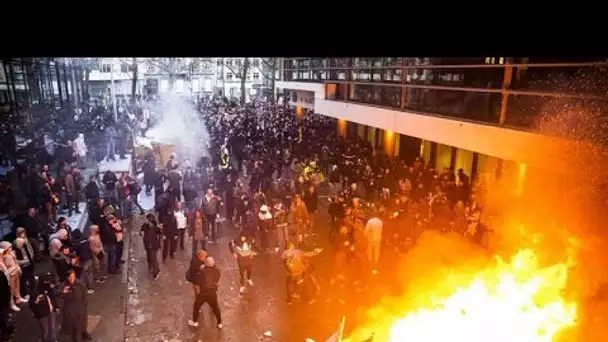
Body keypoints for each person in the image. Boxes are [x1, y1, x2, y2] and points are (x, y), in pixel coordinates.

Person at [188, 256, 222, 330]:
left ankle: (195, 322)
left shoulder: (202, 271)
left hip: (203, 293)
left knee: (196, 306)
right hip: (212, 293)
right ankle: (219, 323)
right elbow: (217, 278)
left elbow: (198, 281)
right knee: (216, 307)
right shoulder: (217, 271)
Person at [60, 269, 93, 341]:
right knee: (74, 327)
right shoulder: (64, 286)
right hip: (71, 310)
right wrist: (63, 292)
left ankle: (84, 334)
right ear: (67, 277)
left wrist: (85, 303)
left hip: (80, 307)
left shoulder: (79, 283)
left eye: (73, 276)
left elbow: (85, 292)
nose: (72, 278)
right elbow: (60, 296)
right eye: (70, 277)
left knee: (83, 323)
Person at [30, 272, 59, 342]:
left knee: (52, 328)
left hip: (51, 311)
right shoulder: (35, 292)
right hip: (42, 314)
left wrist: (56, 306)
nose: (48, 283)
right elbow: (31, 305)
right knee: (45, 331)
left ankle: (53, 340)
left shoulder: (48, 289)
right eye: (46, 281)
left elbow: (52, 297)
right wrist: (36, 301)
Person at [140, 214, 162, 279]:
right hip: (148, 246)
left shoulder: (155, 228)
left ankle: (157, 272)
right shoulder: (145, 226)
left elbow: (160, 234)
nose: (146, 221)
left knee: (154, 259)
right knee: (151, 258)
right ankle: (154, 269)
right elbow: (141, 232)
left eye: (147, 220)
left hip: (153, 246)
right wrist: (141, 233)